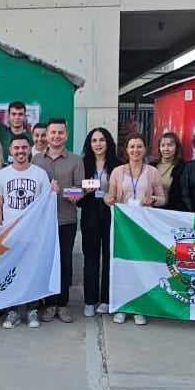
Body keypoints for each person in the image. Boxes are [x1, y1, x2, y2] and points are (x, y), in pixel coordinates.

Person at [0, 135, 53, 330]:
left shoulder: (40, 174)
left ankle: (32, 309)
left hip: (34, 233)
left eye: (24, 147)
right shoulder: (2, 175)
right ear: (10, 150)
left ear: (29, 149)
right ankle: (12, 311)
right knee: (10, 271)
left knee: (32, 271)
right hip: (10, 233)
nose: (20, 151)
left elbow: (46, 204)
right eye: (16, 148)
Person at [105, 134, 166, 326]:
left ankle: (140, 308)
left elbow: (163, 199)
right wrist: (108, 199)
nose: (135, 150)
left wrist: (153, 200)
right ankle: (123, 307)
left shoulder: (152, 172)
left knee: (142, 267)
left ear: (145, 149)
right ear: (127, 150)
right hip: (124, 228)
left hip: (144, 228)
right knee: (123, 267)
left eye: (139, 146)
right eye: (132, 147)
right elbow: (109, 196)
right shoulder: (117, 171)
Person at [32, 118, 84, 323]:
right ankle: (49, 304)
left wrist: (62, 192)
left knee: (64, 263)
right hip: (42, 222)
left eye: (60, 133)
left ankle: (62, 305)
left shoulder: (76, 160)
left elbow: (81, 190)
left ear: (66, 135)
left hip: (65, 220)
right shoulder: (36, 160)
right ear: (46, 135)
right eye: (52, 133)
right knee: (45, 262)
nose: (56, 136)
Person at [79, 127, 117, 318]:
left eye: (102, 140)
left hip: (112, 214)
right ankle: (90, 300)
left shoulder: (118, 164)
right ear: (89, 144)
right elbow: (73, 191)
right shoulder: (82, 164)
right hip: (90, 214)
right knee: (91, 258)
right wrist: (83, 190)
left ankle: (107, 299)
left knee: (110, 257)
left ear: (108, 142)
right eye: (94, 140)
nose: (98, 144)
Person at [156, 132, 185, 211]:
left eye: (170, 145)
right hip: (152, 211)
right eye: (163, 145)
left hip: (172, 212)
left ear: (177, 147)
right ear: (159, 148)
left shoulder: (183, 168)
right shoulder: (151, 166)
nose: (166, 149)